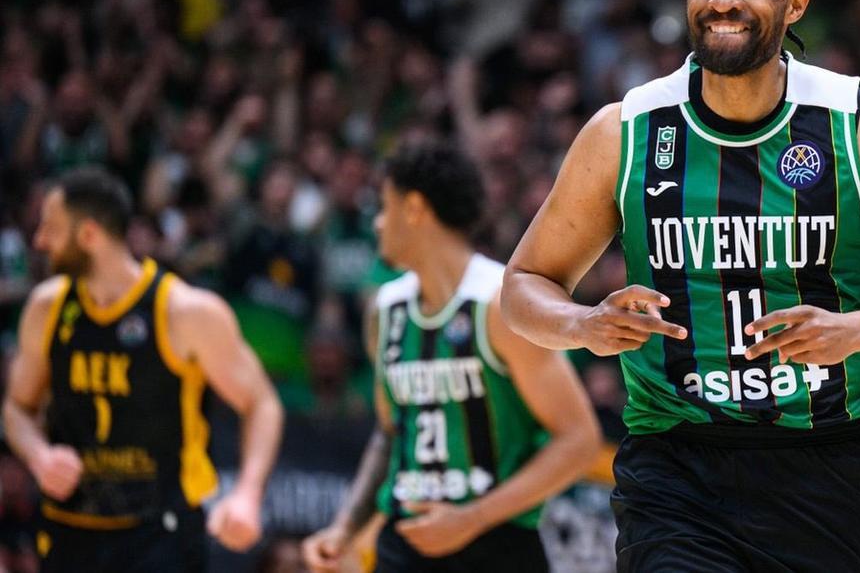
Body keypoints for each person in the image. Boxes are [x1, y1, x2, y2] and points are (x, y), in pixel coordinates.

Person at [500, 0, 860, 572]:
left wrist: (855, 331)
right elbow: (522, 286)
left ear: (795, 6)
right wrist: (582, 323)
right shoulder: (625, 129)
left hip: (826, 467)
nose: (724, 0)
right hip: (675, 465)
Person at [301, 143, 602, 572]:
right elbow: (390, 434)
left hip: (496, 542)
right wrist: (346, 527)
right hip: (406, 543)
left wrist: (472, 517)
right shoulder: (385, 311)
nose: (378, 222)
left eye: (385, 207)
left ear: (414, 209)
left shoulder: (499, 305)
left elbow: (579, 440)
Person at [2, 167, 284, 572]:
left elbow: (262, 403)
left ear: (88, 235)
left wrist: (248, 493)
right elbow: (16, 408)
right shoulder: (46, 309)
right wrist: (39, 455)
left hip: (161, 531)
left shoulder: (183, 311)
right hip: (70, 528)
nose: (39, 241)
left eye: (52, 229)